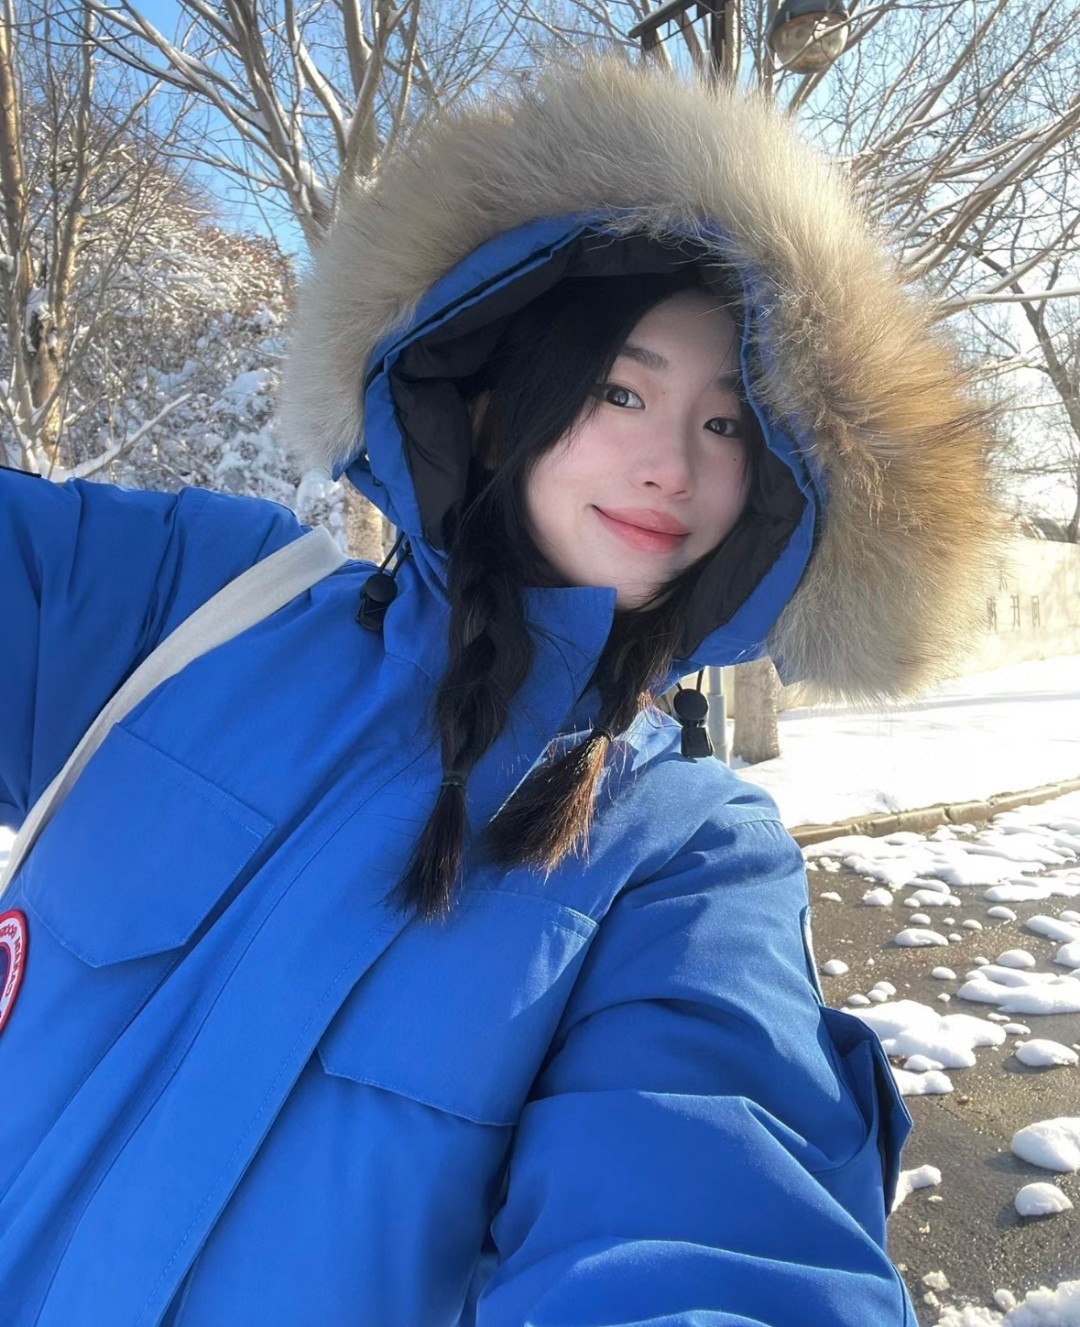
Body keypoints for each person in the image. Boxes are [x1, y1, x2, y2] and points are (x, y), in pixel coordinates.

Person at [0, 57, 996, 1326]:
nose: (672, 465)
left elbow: (709, 1217)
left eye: (727, 423)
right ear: (492, 402)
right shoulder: (197, 600)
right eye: (621, 390)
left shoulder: (688, 861)